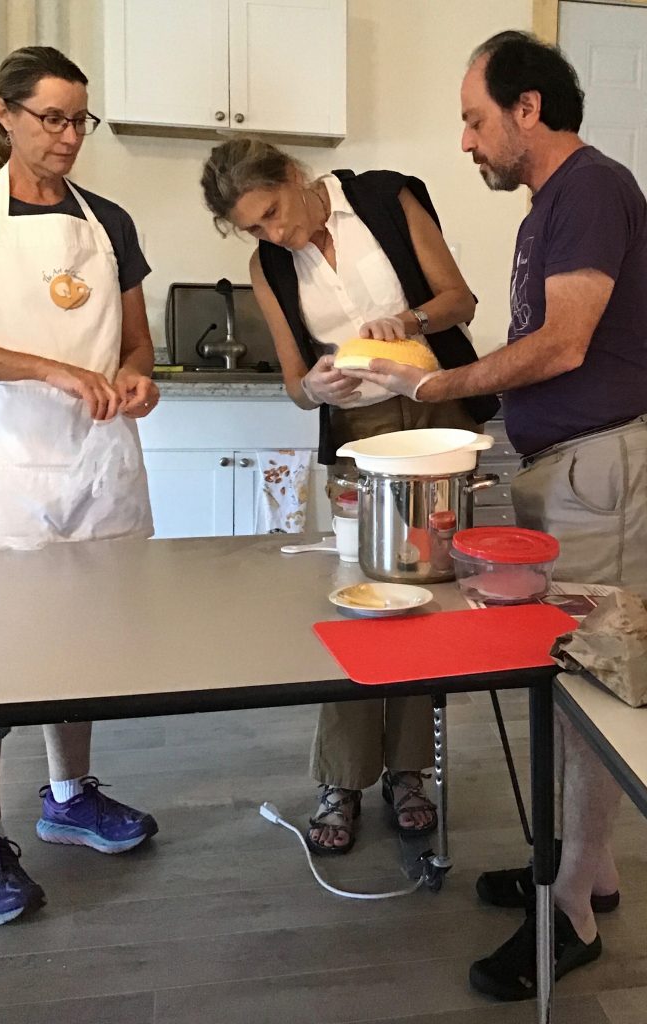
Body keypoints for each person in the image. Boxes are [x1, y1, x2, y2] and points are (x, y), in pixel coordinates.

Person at [349, 31, 647, 998]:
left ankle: (569, 906)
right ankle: (592, 871)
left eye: (474, 118)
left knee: (596, 688)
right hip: (566, 468)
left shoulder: (589, 191)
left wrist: (437, 384)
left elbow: (564, 345)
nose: (465, 141)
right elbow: (545, 349)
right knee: (568, 681)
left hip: (600, 472)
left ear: (528, 108)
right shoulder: (549, 208)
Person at [200, 137, 498, 855]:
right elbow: (296, 382)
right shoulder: (269, 264)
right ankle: (342, 776)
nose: (276, 233)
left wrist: (412, 320)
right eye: (257, 228)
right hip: (357, 434)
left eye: (274, 212)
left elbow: (460, 300)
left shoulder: (386, 197)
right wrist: (317, 388)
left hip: (435, 417)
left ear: (294, 177)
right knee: (356, 600)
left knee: (426, 599)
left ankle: (410, 772)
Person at [0, 46, 161, 927]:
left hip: (97, 463)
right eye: (51, 117)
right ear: (6, 113)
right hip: (0, 469)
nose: (68, 136)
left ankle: (69, 796)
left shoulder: (110, 221)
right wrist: (48, 369)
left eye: (79, 119)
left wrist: (138, 379)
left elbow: (136, 344)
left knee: (82, 647)